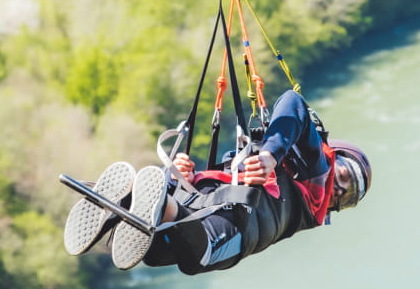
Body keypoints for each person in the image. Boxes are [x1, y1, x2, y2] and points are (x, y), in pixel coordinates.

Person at [63, 90, 372, 273]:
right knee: (200, 251)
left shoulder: (311, 204)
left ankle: (136, 204)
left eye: (348, 197)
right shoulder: (317, 169)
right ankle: (154, 202)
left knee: (156, 253)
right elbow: (293, 102)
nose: (341, 189)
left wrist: (178, 180)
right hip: (227, 222)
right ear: (335, 158)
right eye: (346, 176)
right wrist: (269, 155)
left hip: (226, 220)